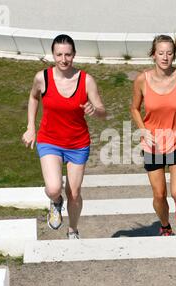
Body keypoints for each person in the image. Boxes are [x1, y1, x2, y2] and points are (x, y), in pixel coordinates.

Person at [22, 34, 106, 239]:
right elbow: (33, 98)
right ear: (53, 55)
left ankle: (73, 229)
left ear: (74, 54)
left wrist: (94, 111)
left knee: (74, 193)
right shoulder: (42, 78)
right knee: (53, 188)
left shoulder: (86, 80)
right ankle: (55, 201)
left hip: (77, 143)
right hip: (49, 140)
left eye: (68, 54)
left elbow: (104, 112)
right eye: (59, 54)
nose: (63, 59)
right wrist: (30, 127)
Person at [130, 32, 176, 236]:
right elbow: (134, 109)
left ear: (174, 55)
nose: (165, 57)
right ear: (153, 55)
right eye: (161, 53)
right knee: (159, 194)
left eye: (169, 53)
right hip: (153, 143)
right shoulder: (141, 80)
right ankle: (165, 225)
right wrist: (144, 131)